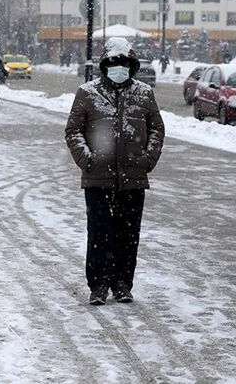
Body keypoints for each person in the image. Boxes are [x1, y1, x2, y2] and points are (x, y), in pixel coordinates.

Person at [64, 37, 165, 306]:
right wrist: (87, 159)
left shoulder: (143, 93)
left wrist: (147, 160)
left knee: (128, 234)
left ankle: (122, 283)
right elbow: (73, 130)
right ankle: (98, 285)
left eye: (124, 63)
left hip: (133, 179)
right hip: (98, 178)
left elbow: (157, 128)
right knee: (99, 233)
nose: (118, 68)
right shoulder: (87, 93)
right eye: (113, 63)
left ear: (132, 66)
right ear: (105, 64)